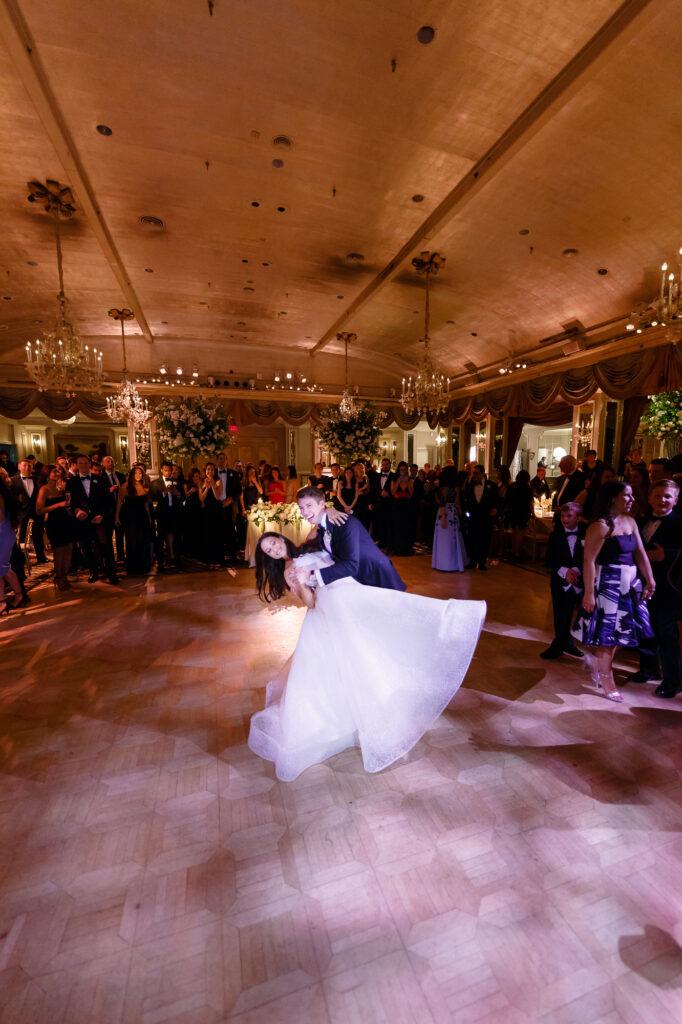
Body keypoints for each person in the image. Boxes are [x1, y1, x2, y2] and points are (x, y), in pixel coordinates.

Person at [248, 530, 486, 780]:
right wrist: (303, 579)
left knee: (385, 634)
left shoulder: (308, 546)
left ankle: (454, 620)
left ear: (281, 539)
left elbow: (330, 529)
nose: (274, 549)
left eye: (273, 543)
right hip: (329, 617)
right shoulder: (289, 571)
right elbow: (310, 603)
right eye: (268, 551)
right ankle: (350, 725)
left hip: (351, 601)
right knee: (346, 668)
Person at [572, 481, 655, 702]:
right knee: (607, 637)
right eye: (627, 495)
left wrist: (649, 579)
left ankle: (598, 664)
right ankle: (606, 679)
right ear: (612, 498)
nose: (632, 499)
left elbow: (640, 553)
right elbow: (588, 561)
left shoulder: (630, 521)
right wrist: (589, 593)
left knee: (624, 633)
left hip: (629, 584)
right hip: (608, 585)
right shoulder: (599, 525)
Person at [295, 485, 406, 590]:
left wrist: (314, 576)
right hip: (359, 581)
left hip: (378, 579)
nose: (304, 512)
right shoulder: (321, 528)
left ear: (321, 503)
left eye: (309, 506)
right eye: (301, 507)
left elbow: (351, 565)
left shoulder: (345, 524)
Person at [630, 479, 682, 698]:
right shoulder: (640, 522)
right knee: (645, 628)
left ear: (676, 500)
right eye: (658, 496)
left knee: (665, 631)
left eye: (667, 496)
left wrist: (666, 555)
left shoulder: (681, 523)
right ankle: (649, 669)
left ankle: (673, 681)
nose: (662, 500)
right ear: (650, 499)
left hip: (669, 587)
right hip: (642, 584)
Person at [540, 502, 585, 660]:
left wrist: (576, 571)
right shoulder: (556, 535)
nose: (564, 519)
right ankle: (560, 644)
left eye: (569, 516)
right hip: (560, 580)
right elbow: (551, 558)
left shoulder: (586, 535)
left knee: (576, 613)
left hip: (580, 580)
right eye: (562, 516)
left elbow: (588, 557)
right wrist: (565, 572)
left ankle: (567, 643)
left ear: (578, 518)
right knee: (560, 613)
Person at [66, 454, 118, 584]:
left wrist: (102, 515)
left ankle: (111, 573)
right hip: (83, 521)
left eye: (85, 463)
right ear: (76, 465)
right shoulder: (71, 482)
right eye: (80, 463)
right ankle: (93, 572)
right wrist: (76, 511)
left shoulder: (100, 480)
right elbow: (69, 503)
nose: (83, 465)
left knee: (106, 546)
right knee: (86, 548)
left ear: (90, 464)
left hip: (99, 520)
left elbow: (109, 502)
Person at [36, 464, 76, 590]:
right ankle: (59, 577)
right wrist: (58, 505)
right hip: (54, 523)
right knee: (59, 551)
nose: (57, 474)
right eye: (54, 472)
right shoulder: (44, 489)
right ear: (47, 475)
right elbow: (39, 510)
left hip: (66, 522)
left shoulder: (60, 488)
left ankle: (64, 575)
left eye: (58, 472)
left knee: (69, 548)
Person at [115, 466, 153, 575]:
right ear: (132, 475)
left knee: (143, 542)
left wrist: (149, 518)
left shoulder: (146, 487)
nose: (138, 475)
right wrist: (117, 517)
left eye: (140, 473)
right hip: (130, 518)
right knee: (132, 542)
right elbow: (119, 502)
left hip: (143, 518)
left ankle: (144, 567)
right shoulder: (125, 486)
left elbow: (146, 505)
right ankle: (133, 567)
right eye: (136, 473)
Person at [10, 458, 47, 564]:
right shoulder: (13, 481)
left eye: (29, 466)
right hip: (21, 513)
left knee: (38, 535)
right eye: (25, 465)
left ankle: (41, 556)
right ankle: (21, 559)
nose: (27, 468)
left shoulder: (38, 480)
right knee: (21, 536)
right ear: (19, 467)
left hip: (36, 512)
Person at [462, 465, 498, 570]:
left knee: (484, 539)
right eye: (474, 473)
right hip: (473, 517)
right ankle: (473, 561)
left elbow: (496, 500)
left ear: (482, 474)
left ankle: (482, 562)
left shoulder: (492, 486)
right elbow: (466, 499)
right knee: (472, 539)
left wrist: (495, 508)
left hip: (486, 517)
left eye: (476, 473)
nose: (474, 475)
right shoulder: (470, 485)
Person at [151, 462, 185, 572]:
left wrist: (177, 493)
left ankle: (177, 559)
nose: (168, 472)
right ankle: (160, 562)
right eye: (166, 470)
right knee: (160, 538)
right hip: (163, 514)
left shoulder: (177, 481)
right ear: (161, 470)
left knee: (177, 537)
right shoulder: (156, 483)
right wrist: (164, 493)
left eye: (170, 470)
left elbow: (183, 497)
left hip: (175, 513)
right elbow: (154, 497)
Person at [0, 474, 23, 612]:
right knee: (3, 569)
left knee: (3, 568)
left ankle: (15, 597)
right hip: (4, 533)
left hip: (2, 535)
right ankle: (6, 599)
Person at [432, 484, 467, 571]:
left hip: (450, 512)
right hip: (448, 512)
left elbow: (455, 501)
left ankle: (447, 564)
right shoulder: (449, 487)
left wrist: (458, 509)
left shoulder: (447, 486)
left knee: (450, 539)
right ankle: (449, 564)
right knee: (448, 539)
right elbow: (443, 502)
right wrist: (444, 517)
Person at [101, 456, 126, 562]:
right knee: (108, 534)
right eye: (108, 461)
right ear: (103, 464)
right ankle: (109, 557)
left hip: (120, 508)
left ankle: (121, 555)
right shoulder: (101, 477)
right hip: (108, 509)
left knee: (120, 533)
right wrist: (110, 490)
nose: (110, 463)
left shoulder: (120, 476)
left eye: (111, 461)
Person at [506, 469, 534, 561]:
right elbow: (530, 502)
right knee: (520, 533)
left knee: (514, 532)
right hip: (522, 512)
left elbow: (508, 499)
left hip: (513, 511)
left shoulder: (513, 486)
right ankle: (516, 553)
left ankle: (513, 551)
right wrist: (533, 513)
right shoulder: (527, 488)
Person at [390, 461, 414, 555]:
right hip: (397, 505)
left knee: (406, 527)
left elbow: (411, 493)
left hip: (407, 505)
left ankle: (406, 548)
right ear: (398, 470)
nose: (403, 471)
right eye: (401, 469)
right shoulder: (394, 479)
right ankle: (398, 548)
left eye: (404, 470)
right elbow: (392, 493)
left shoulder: (410, 480)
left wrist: (407, 482)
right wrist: (398, 482)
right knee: (398, 526)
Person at [372, 457, 395, 549]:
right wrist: (371, 503)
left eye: (387, 465)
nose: (385, 466)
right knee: (380, 524)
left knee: (389, 525)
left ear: (390, 465)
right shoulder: (377, 476)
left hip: (390, 505)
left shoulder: (394, 476)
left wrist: (389, 494)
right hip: (378, 505)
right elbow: (374, 491)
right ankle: (381, 543)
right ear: (381, 465)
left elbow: (396, 491)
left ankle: (389, 544)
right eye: (383, 464)